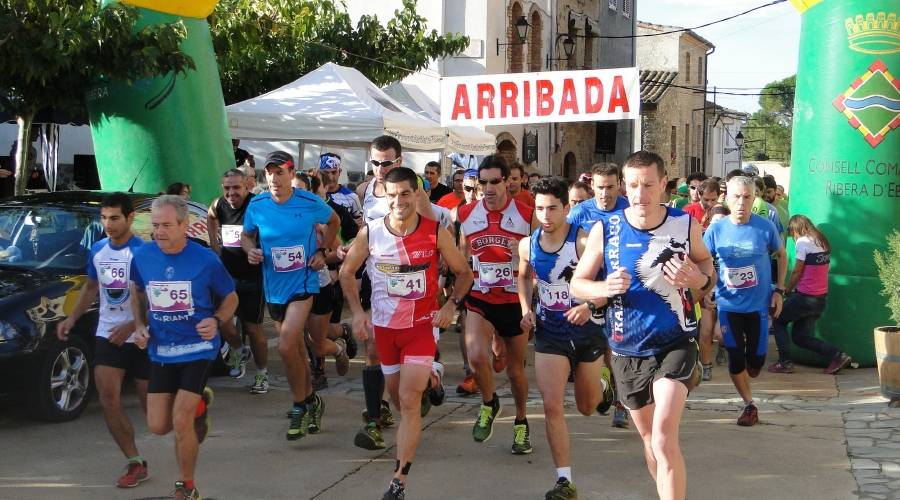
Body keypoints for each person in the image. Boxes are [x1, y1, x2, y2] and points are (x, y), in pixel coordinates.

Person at [571, 151, 716, 500]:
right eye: (633, 185)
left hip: (676, 342)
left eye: (648, 185)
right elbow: (578, 284)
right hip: (626, 349)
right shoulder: (606, 229)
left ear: (663, 184)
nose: (640, 194)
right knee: (652, 442)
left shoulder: (684, 224)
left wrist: (700, 279)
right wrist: (604, 288)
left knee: (665, 435)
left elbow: (706, 267)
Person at [340, 166, 473, 500]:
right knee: (400, 400)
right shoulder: (370, 234)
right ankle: (434, 378)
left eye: (406, 194)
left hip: (420, 329)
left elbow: (464, 273)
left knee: (410, 402)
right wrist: (357, 313)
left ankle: (399, 479)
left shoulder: (433, 231)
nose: (399, 201)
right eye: (393, 194)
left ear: (417, 194)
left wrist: (450, 306)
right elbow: (346, 272)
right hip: (385, 330)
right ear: (384, 195)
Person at [129, 195, 238, 500]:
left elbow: (231, 298)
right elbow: (136, 291)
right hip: (162, 350)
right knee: (157, 425)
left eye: (165, 225)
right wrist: (139, 324)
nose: (158, 231)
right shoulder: (144, 256)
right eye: (154, 225)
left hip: (198, 348)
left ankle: (186, 486)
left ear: (184, 225)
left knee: (180, 420)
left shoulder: (205, 260)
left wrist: (216, 320)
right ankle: (200, 405)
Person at [518, 177, 613, 500]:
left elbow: (610, 286)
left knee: (588, 407)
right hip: (550, 333)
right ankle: (564, 480)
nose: (545, 215)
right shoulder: (528, 244)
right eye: (540, 208)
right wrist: (526, 308)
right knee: (551, 405)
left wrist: (589, 304)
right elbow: (523, 276)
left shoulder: (584, 242)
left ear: (566, 208)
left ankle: (602, 384)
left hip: (587, 331)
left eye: (552, 208)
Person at [241, 151, 340, 441]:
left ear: (291, 173)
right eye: (269, 172)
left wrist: (322, 251)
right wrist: (251, 251)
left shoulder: (309, 202)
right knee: (295, 350)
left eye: (279, 172)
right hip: (273, 287)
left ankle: (298, 405)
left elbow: (333, 221)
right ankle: (311, 400)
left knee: (285, 346)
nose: (273, 178)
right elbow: (247, 236)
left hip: (304, 283)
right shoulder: (257, 204)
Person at [56, 193, 150, 489]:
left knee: (154, 411)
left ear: (130, 217)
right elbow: (92, 286)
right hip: (108, 335)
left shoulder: (143, 253)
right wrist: (71, 318)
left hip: (143, 337)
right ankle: (135, 462)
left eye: (114, 218)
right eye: (104, 218)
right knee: (109, 398)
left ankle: (196, 406)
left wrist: (133, 324)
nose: (107, 224)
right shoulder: (97, 249)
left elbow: (153, 299)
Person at [353, 136, 435, 450]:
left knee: (407, 352)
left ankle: (428, 378)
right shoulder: (364, 191)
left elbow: (430, 236)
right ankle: (374, 419)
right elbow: (364, 232)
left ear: (398, 161)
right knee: (372, 349)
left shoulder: (415, 191)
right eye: (375, 162)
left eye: (386, 162)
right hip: (376, 281)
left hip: (412, 283)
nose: (380, 168)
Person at [458, 154, 536, 453]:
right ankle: (490, 402)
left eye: (495, 181)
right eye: (483, 182)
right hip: (480, 297)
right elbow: (463, 255)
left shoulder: (528, 215)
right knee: (476, 356)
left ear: (508, 181)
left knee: (515, 371)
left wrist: (524, 254)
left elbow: (542, 258)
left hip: (514, 301)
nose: (489, 188)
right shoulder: (465, 214)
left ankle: (521, 422)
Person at [703, 175, 787, 427]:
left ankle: (751, 374)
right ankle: (749, 404)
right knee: (735, 357)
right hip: (728, 305)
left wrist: (779, 290)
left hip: (759, 307)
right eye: (736, 197)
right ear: (727, 198)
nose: (741, 202)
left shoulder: (764, 227)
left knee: (755, 364)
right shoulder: (716, 230)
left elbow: (781, 256)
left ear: (754, 199)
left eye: (746, 197)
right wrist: (706, 286)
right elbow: (703, 260)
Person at [566, 162, 631, 429]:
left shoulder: (629, 209)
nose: (605, 193)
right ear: (592, 186)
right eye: (600, 188)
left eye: (611, 187)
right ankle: (604, 384)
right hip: (589, 289)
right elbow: (565, 246)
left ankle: (621, 404)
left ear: (619, 185)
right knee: (602, 349)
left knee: (616, 350)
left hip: (620, 290)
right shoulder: (580, 212)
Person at [207, 168, 269, 393]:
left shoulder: (257, 205)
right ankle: (239, 350)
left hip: (254, 276)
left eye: (236, 187)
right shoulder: (219, 204)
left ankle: (262, 374)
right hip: (228, 276)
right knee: (222, 321)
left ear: (247, 186)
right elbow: (211, 215)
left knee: (254, 329)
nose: (231, 193)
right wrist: (215, 247)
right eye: (227, 188)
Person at [291, 172, 352, 391]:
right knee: (298, 335)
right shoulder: (280, 219)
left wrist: (321, 256)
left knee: (317, 338)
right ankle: (316, 374)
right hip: (291, 285)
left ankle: (338, 347)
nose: (293, 195)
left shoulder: (321, 220)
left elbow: (340, 251)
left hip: (320, 284)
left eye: (299, 190)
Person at [770, 215, 850, 375]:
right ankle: (837, 355)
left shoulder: (803, 242)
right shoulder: (822, 240)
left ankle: (785, 362)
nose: (792, 237)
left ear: (795, 229)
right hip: (820, 298)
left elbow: (797, 271)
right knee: (800, 337)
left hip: (806, 297)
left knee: (778, 320)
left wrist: (786, 289)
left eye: (791, 232)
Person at [320, 152, 364, 226]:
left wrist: (350, 223)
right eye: (326, 173)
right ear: (319, 173)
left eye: (334, 172)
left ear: (339, 172)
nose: (330, 177)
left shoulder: (351, 197)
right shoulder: (312, 194)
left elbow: (360, 223)